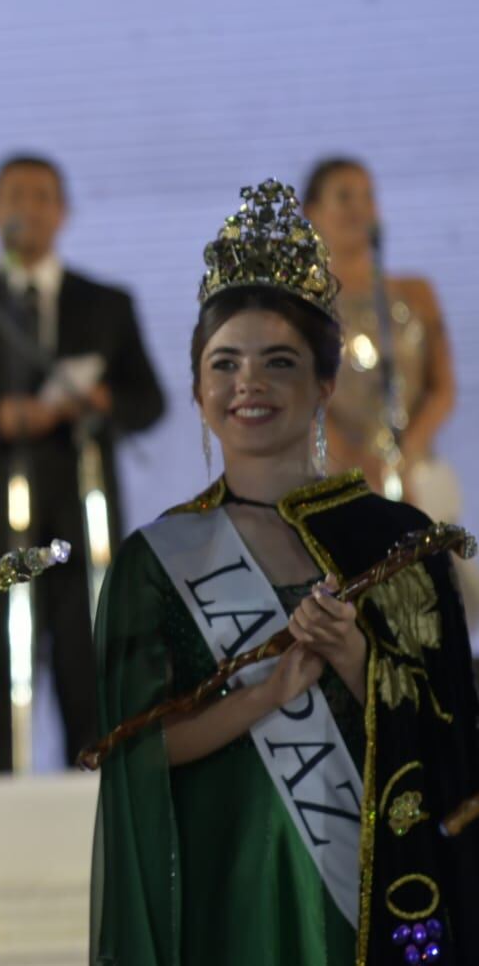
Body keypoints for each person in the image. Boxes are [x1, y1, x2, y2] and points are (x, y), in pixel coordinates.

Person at [91, 180, 479, 965]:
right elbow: (133, 749)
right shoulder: (156, 559)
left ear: (324, 386)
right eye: (223, 363)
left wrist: (355, 661)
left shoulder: (398, 542)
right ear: (198, 390)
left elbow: (457, 745)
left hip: (372, 901)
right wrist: (266, 696)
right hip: (221, 886)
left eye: (278, 362)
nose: (247, 384)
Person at [0, 154, 165, 771]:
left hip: (83, 522)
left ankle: (94, 812)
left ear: (64, 211)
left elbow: (148, 401)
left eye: (43, 195)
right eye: (15, 195)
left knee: (88, 675)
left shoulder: (106, 303)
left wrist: (104, 403)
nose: (28, 207)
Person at [304, 157, 459, 510]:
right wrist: (358, 466)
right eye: (344, 197)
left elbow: (443, 389)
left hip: (416, 479)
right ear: (312, 210)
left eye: (367, 196)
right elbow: (301, 403)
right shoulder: (301, 306)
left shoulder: (417, 292)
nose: (358, 209)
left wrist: (402, 459)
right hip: (339, 485)